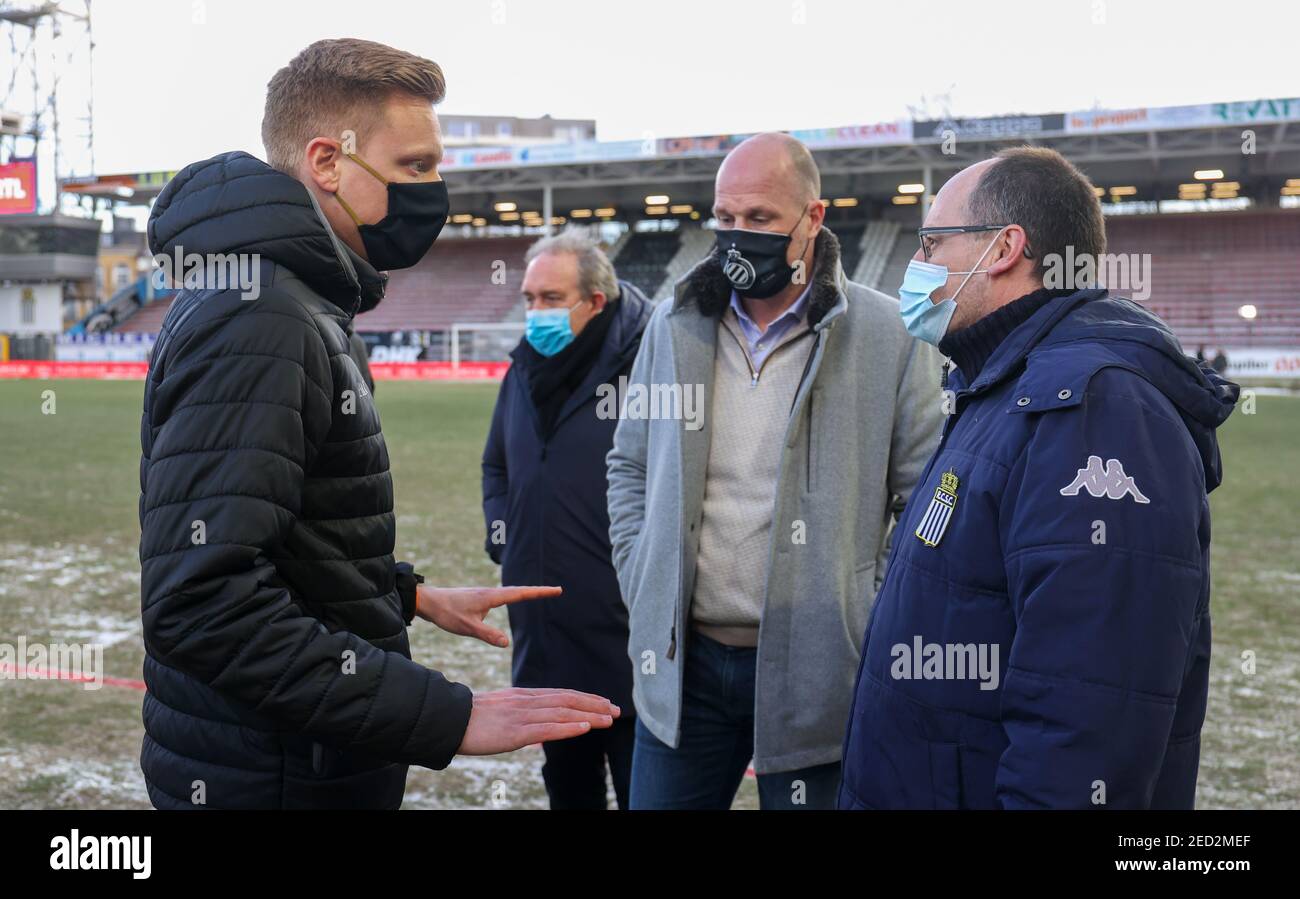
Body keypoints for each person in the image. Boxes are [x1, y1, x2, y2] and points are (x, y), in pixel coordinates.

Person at [138, 38, 618, 810]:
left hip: (298, 759)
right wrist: (446, 715)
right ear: (328, 162)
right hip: (275, 775)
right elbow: (203, 601)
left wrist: (404, 594)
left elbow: (284, 539)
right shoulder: (263, 316)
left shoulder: (296, 297)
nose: (437, 189)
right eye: (417, 167)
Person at [838, 146, 1239, 810]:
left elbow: (1087, 720)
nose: (919, 265)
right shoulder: (1004, 382)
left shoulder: (1094, 408)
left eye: (933, 242)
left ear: (1004, 248)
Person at [606, 132, 944, 809]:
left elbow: (926, 499)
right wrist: (644, 571)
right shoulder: (675, 322)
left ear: (812, 218)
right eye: (725, 218)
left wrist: (863, 610)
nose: (736, 236)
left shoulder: (891, 336)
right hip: (684, 669)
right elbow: (630, 461)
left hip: (818, 675)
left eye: (759, 219)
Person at [482, 230, 652, 809]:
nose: (535, 313)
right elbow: (496, 464)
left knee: (643, 791)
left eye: (550, 299)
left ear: (594, 302)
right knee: (569, 792)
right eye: (529, 299)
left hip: (626, 638)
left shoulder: (646, 371)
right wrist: (503, 533)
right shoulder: (522, 371)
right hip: (545, 635)